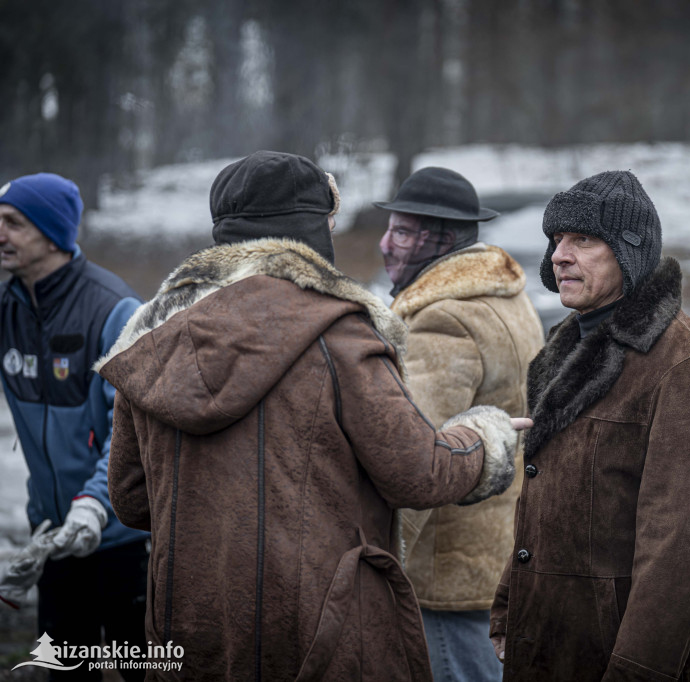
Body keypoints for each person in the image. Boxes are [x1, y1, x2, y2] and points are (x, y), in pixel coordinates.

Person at [96, 151, 528, 680]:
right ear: (313, 229)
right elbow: (419, 472)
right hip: (323, 630)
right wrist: (486, 433)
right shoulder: (343, 337)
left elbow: (132, 499)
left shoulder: (152, 339)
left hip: (194, 633)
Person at [489, 170, 690, 681]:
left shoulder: (687, 366)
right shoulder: (563, 352)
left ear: (629, 252)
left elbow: (680, 552)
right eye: (556, 240)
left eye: (583, 240)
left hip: (630, 662)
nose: (560, 255)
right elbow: (548, 497)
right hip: (551, 648)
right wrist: (510, 605)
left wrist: (635, 671)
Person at [375, 167, 545, 681]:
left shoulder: (441, 320)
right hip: (491, 553)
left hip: (442, 574)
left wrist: (380, 565)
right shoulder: (503, 298)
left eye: (403, 232)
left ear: (444, 239)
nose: (385, 244)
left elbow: (413, 458)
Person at [0, 173, 149, 678]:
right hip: (54, 536)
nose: (0, 233)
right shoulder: (8, 307)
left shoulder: (115, 309)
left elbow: (132, 430)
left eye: (13, 223)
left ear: (52, 232)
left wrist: (94, 506)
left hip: (122, 538)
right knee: (63, 670)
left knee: (142, 670)